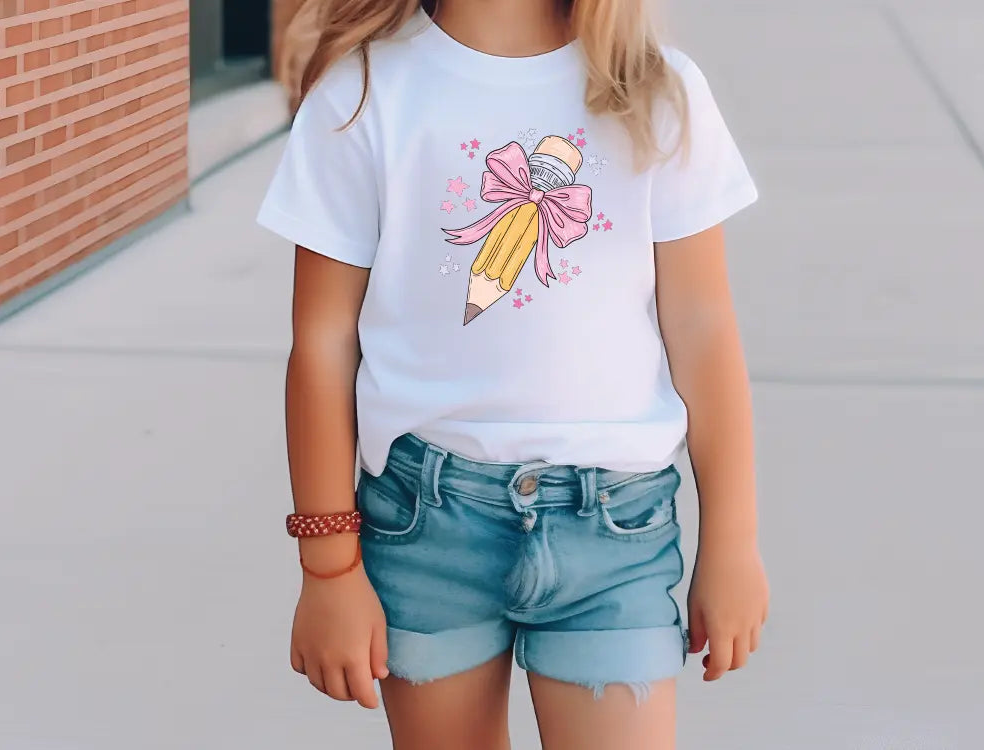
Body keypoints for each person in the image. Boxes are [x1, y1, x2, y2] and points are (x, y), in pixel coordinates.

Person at [258, 0, 769, 747]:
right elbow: (323, 340)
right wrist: (328, 569)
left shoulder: (657, 91)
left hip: (614, 532)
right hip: (425, 525)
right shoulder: (363, 91)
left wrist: (733, 541)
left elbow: (703, 328)